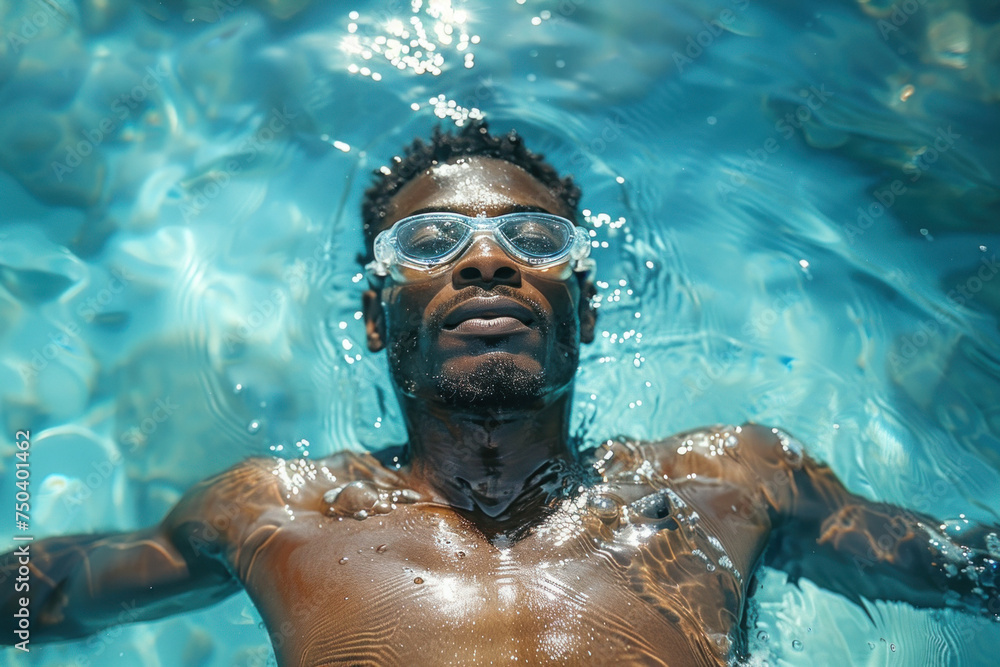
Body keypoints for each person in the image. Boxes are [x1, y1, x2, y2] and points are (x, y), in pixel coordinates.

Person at [2, 121, 998, 666]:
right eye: (431, 245)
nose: (486, 261)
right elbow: (56, 591)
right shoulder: (274, 510)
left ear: (588, 309)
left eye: (533, 241)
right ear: (372, 318)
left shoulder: (729, 482)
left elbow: (957, 566)